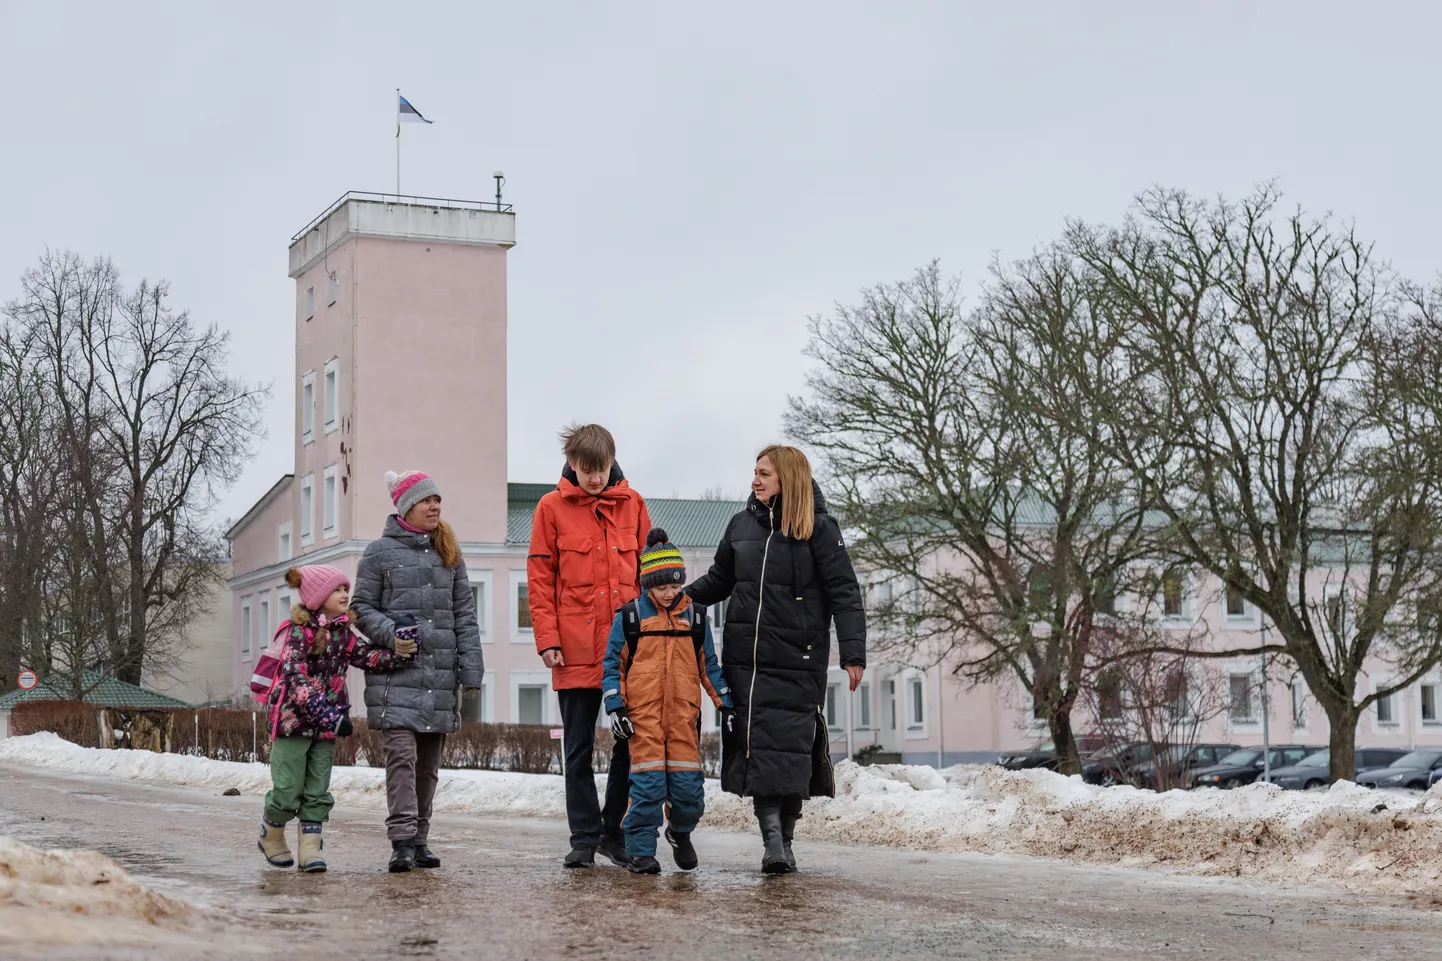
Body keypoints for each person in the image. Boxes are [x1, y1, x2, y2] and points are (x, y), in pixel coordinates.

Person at [687, 445, 866, 874]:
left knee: (791, 752)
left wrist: (853, 652)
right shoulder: (740, 525)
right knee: (760, 751)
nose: (756, 479)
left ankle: (784, 839)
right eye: (754, 472)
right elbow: (719, 581)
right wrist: (677, 601)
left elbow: (845, 591)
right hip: (747, 661)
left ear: (787, 478)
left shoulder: (820, 529)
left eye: (764, 473)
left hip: (799, 660)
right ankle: (773, 845)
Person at [527, 424, 652, 868]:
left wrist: (650, 638)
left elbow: (648, 578)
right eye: (585, 470)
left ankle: (611, 831)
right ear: (572, 463)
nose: (594, 479)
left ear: (611, 461)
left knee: (628, 743)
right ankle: (582, 837)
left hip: (626, 652)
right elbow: (540, 580)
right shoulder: (550, 508)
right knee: (577, 748)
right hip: (574, 648)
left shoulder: (634, 505)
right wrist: (547, 641)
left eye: (600, 469)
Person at [351, 470, 485, 873]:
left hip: (440, 678)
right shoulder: (378, 553)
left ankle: (421, 839)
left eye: (438, 500)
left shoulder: (450, 553)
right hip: (396, 677)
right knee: (402, 760)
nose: (435, 506)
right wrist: (391, 634)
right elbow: (359, 608)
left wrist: (471, 670)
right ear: (407, 506)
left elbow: (465, 615)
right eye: (428, 500)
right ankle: (402, 841)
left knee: (428, 767)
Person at [258, 564, 417, 873]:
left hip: (327, 725)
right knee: (288, 788)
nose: (345, 593)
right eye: (337, 589)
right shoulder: (297, 631)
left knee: (318, 789)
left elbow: (368, 657)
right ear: (318, 597)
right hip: (294, 723)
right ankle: (272, 835)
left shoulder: (343, 634)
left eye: (346, 588)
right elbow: (294, 676)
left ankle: (310, 850)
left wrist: (401, 650)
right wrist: (325, 713)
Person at [602, 529, 733, 874]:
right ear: (648, 585)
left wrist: (726, 706)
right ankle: (641, 852)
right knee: (646, 790)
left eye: (675, 587)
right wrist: (615, 706)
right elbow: (612, 666)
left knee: (689, 791)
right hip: (642, 722)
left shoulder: (696, 618)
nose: (669, 594)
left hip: (682, 721)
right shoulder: (630, 618)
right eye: (662, 588)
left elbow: (710, 668)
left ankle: (680, 831)